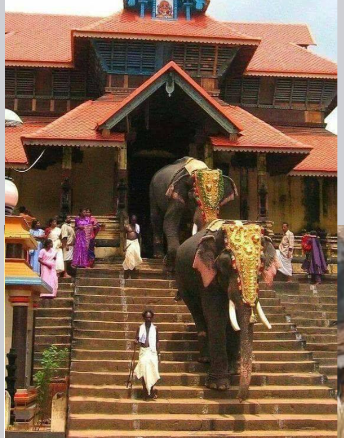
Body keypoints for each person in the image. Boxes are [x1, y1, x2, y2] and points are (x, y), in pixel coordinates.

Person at [134, 309, 160, 401]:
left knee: (152, 372)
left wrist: (159, 353)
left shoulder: (155, 328)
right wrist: (136, 341)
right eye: (147, 317)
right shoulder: (139, 328)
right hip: (143, 351)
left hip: (152, 352)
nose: (148, 319)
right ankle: (145, 393)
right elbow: (137, 338)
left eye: (150, 317)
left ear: (152, 318)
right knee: (144, 372)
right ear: (144, 318)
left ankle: (151, 392)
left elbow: (157, 341)